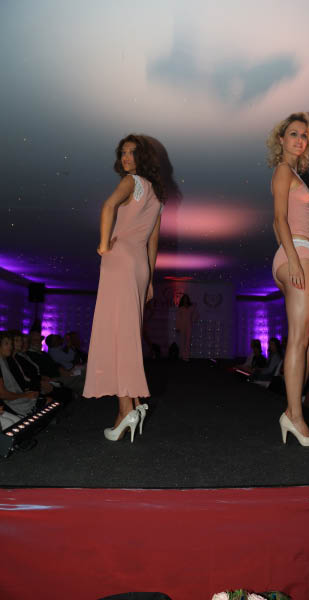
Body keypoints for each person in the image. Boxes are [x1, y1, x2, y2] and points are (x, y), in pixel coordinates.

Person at [83, 134, 164, 442]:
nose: (126, 158)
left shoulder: (131, 181)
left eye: (132, 152)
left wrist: (104, 245)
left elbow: (108, 206)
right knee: (127, 333)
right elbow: (153, 242)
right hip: (139, 265)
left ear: (143, 157)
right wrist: (150, 279)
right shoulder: (158, 196)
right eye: (123, 153)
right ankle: (134, 403)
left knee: (116, 334)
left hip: (120, 260)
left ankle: (125, 410)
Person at [267, 112, 309, 446]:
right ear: (281, 139)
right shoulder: (283, 170)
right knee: (300, 339)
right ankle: (295, 416)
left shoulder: (294, 175)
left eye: (304, 135)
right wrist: (293, 259)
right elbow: (278, 220)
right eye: (293, 134)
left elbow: (278, 223)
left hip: (298, 253)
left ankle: (293, 407)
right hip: (297, 254)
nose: (299, 140)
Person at [175, 294, 197, 361]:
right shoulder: (180, 308)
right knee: (182, 341)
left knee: (188, 341)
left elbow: (196, 314)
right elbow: (178, 318)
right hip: (182, 326)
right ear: (183, 300)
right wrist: (177, 327)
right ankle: (181, 355)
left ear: (188, 300)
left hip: (189, 326)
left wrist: (192, 320)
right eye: (184, 299)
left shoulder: (191, 308)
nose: (185, 300)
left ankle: (186, 357)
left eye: (186, 299)